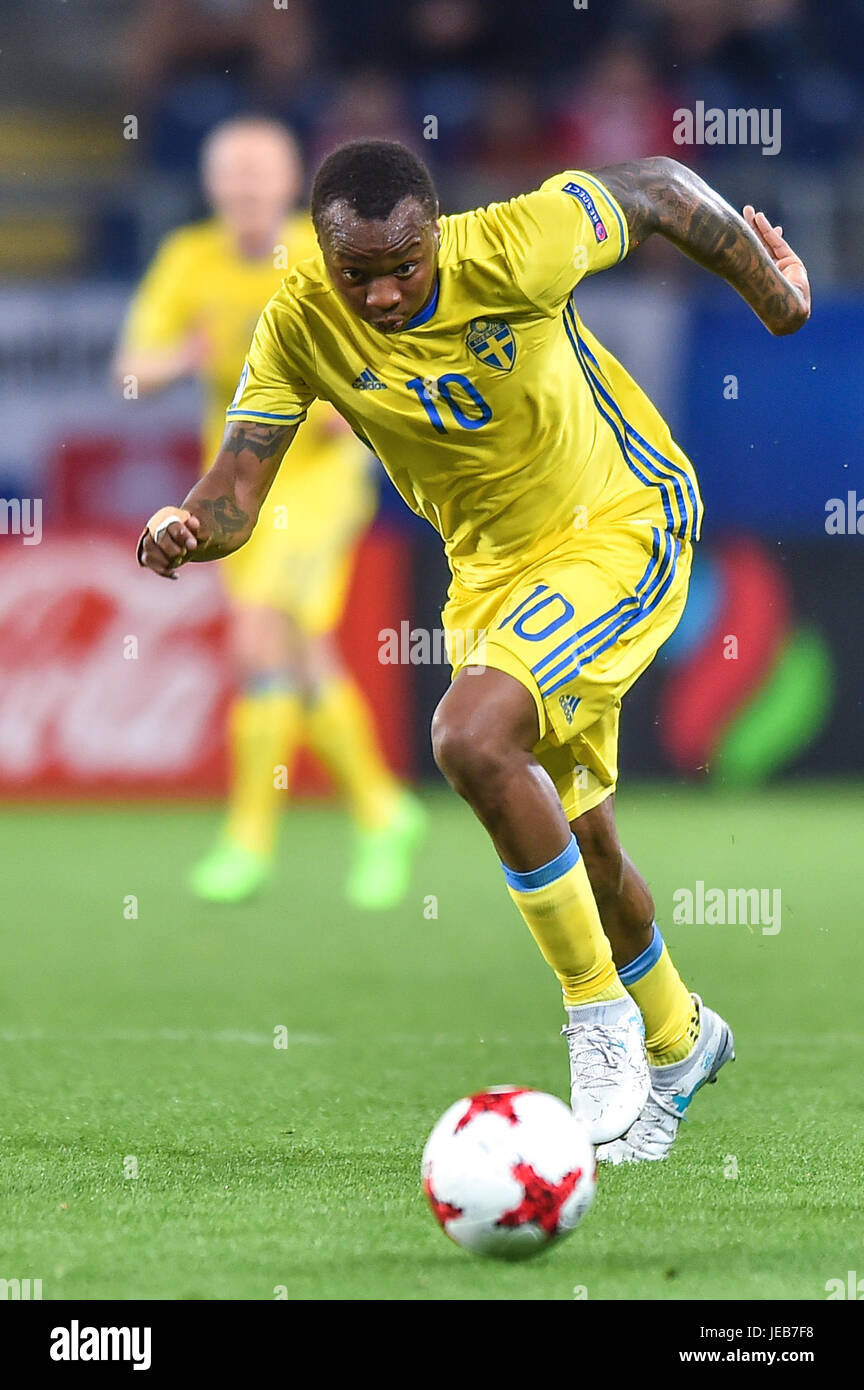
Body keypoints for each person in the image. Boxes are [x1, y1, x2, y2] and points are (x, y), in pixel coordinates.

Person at [136, 140, 810, 1159]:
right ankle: (680, 1035)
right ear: (319, 252)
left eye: (405, 263)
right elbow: (235, 492)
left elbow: (662, 191)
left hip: (620, 520)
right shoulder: (299, 324)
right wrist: (186, 528)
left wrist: (779, 299)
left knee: (469, 735)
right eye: (355, 272)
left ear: (434, 227)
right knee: (585, 841)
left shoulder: (522, 243)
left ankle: (599, 1018)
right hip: (491, 574)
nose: (384, 292)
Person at [117, 121, 424, 909]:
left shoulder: (322, 253)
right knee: (301, 648)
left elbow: (389, 348)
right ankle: (381, 810)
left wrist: (349, 405)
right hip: (241, 482)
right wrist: (180, 359)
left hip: (319, 478)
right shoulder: (190, 259)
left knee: (262, 631)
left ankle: (249, 839)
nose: (248, 193)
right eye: (234, 179)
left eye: (262, 179)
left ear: (291, 185)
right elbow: (133, 370)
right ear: (214, 187)